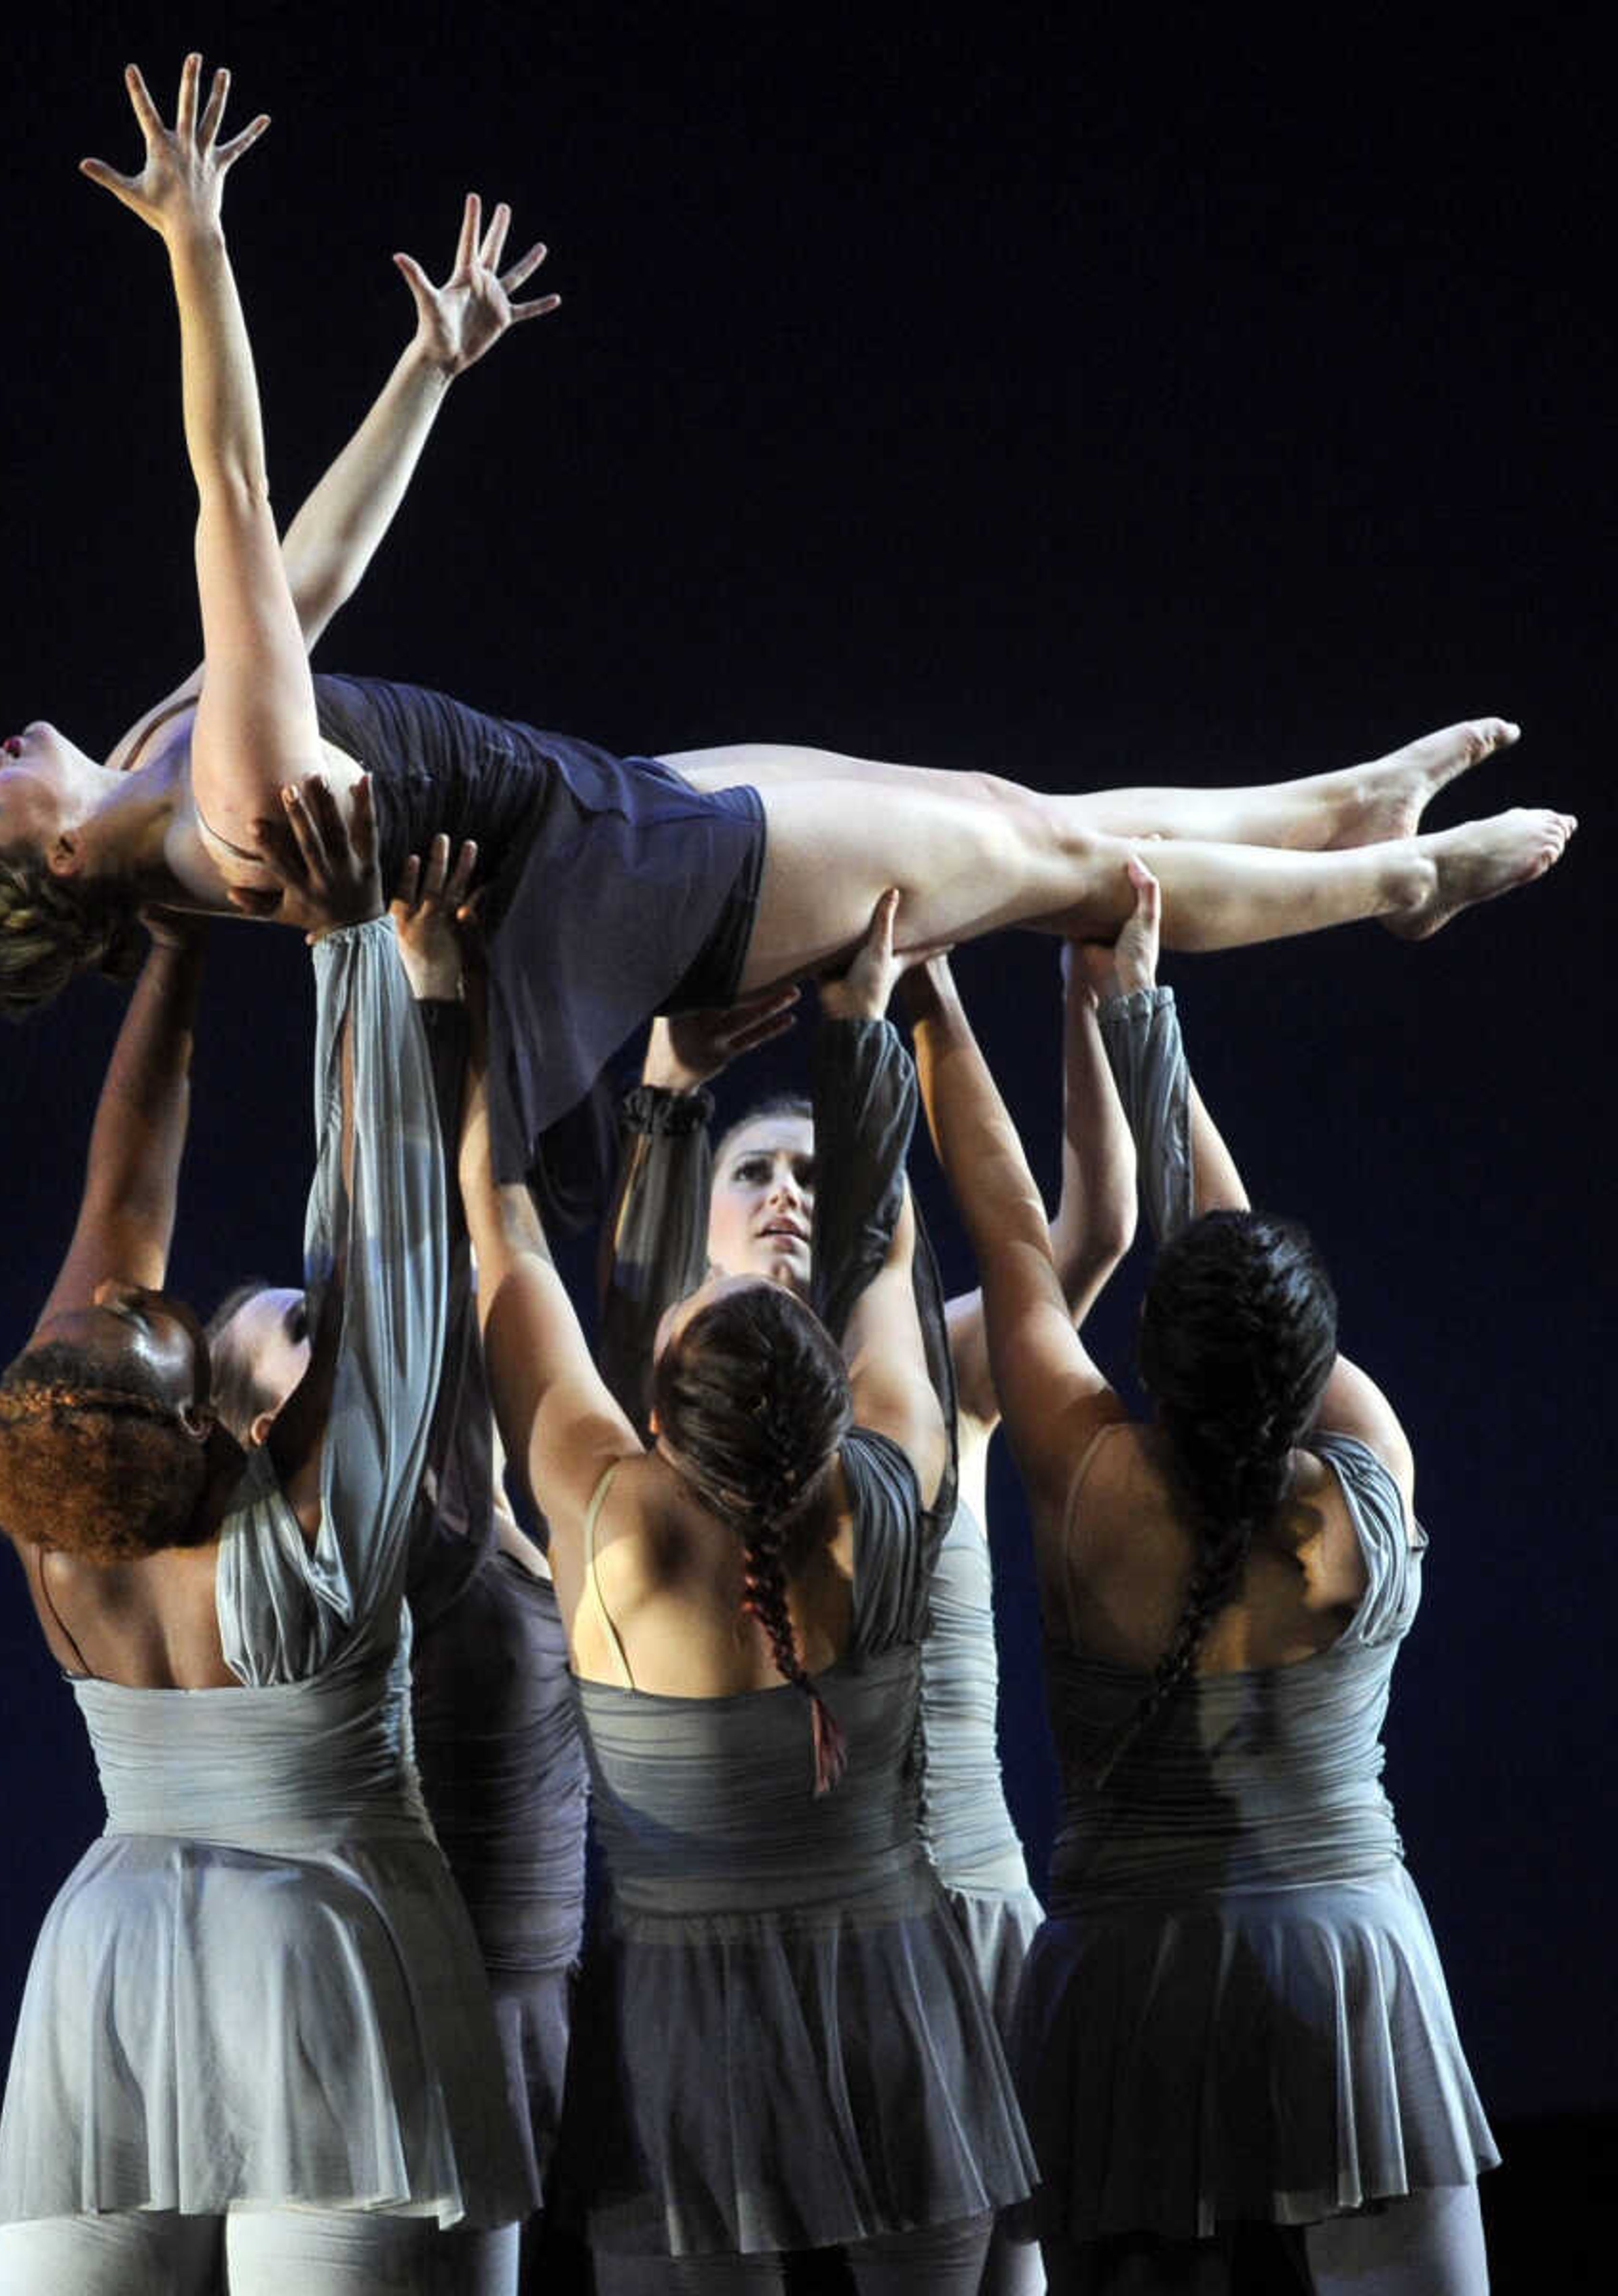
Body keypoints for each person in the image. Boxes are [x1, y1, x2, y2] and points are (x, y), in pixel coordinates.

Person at [0, 57, 1575, 1212]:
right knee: (1050, 866)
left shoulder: (147, 749)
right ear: (49, 873)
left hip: (602, 809)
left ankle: (1336, 815)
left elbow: (309, 582)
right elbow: (238, 502)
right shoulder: (240, 818)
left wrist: (429, 371)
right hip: (624, 891)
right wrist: (199, 249)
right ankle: (1398, 887)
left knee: (1003, 799)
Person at [0, 783, 533, 2293]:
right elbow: (386, 1239)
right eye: (150, 1324)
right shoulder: (301, 1539)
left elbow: (120, 1189)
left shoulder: (60, 1520)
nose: (133, 1291)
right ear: (198, 1426)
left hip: (117, 1952)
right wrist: (354, 946)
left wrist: (175, 955)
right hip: (321, 1949)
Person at [910, 867, 1497, 2293]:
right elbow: (1227, 1257)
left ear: (1157, 1364)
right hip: (1343, 1960)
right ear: (1313, 1378)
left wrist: (927, 1000)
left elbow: (1010, 1236)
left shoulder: (1093, 1484)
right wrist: (1132, 1013)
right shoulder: (1368, 1477)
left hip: (1135, 1983)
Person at [459, 889, 1036, 2292]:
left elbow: (505, 1241)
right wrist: (866, 1025)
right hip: (901, 1997)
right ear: (835, 1404)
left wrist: (447, 983)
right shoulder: (892, 1488)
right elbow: (893, 1252)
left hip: (678, 2029)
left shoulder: (608, 1517)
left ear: (655, 1404)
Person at [593, 955, 1137, 2296]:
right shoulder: (655, 1420)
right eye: (752, 1174)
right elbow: (622, 1291)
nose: (787, 1193)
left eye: (818, 1174)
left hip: (953, 1891)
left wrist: (960, 1004)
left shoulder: (941, 1363)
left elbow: (1092, 1232)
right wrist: (671, 1087)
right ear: (699, 1225)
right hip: (736, 1932)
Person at [206, 840, 589, 2295]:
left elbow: (455, 1244)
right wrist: (386, 981)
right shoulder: (363, 1541)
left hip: (516, 2004)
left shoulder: (460, 1489)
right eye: (296, 1336)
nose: (343, 1327)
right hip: (382, 2020)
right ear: (248, 1424)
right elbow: (386, 1235)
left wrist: (437, 996)